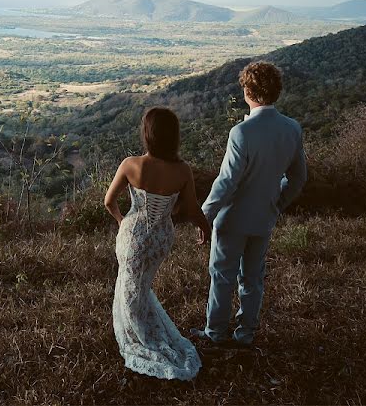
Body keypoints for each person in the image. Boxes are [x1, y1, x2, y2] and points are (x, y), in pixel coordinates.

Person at [193, 60, 307, 347]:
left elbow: (226, 181)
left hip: (232, 219)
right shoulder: (292, 128)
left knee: (222, 276)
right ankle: (246, 333)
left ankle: (215, 333)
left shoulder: (241, 133)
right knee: (253, 278)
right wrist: (278, 202)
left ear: (248, 91)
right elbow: (298, 177)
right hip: (265, 216)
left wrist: (204, 215)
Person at [104, 107, 211, 380]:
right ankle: (143, 327)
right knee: (141, 284)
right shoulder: (182, 170)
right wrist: (205, 227)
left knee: (130, 286)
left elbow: (109, 201)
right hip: (162, 238)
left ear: (147, 135)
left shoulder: (132, 165)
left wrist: (121, 221)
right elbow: (191, 208)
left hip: (134, 235)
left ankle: (138, 335)